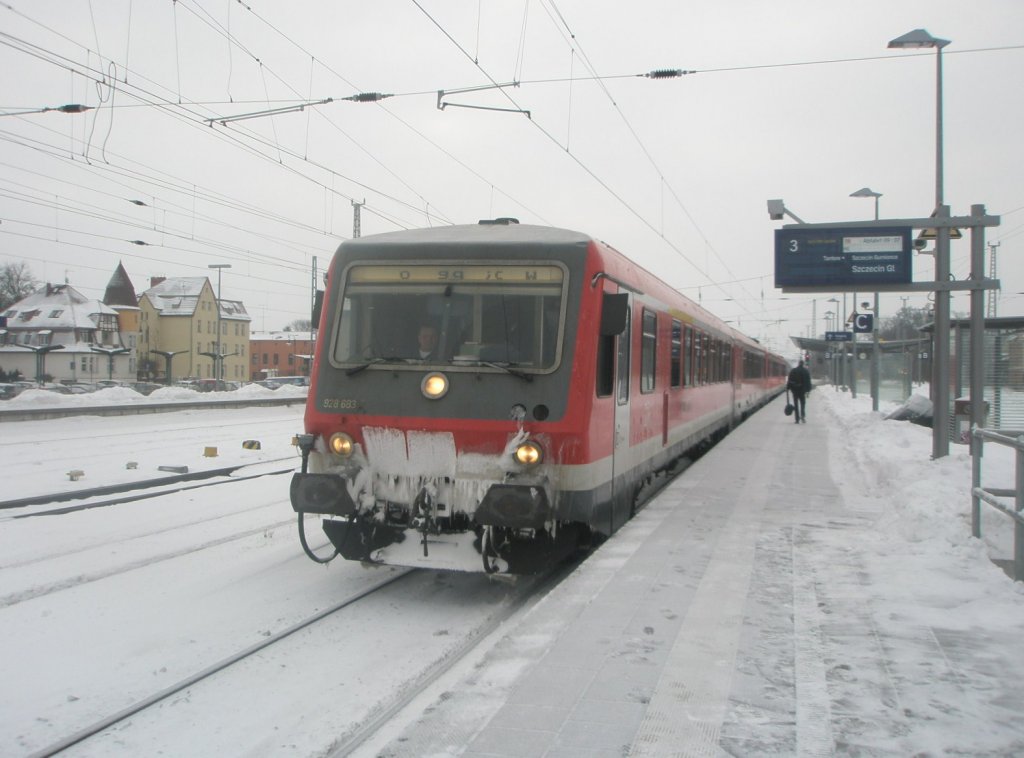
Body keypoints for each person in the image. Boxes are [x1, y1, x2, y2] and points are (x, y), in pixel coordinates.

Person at [787, 359, 812, 424]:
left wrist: (788, 388)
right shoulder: (806, 371)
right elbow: (808, 381)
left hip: (795, 391)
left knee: (796, 404)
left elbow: (789, 380)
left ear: (798, 363)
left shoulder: (793, 370)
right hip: (802, 391)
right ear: (803, 364)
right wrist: (808, 390)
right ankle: (803, 416)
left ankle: (797, 419)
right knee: (803, 404)